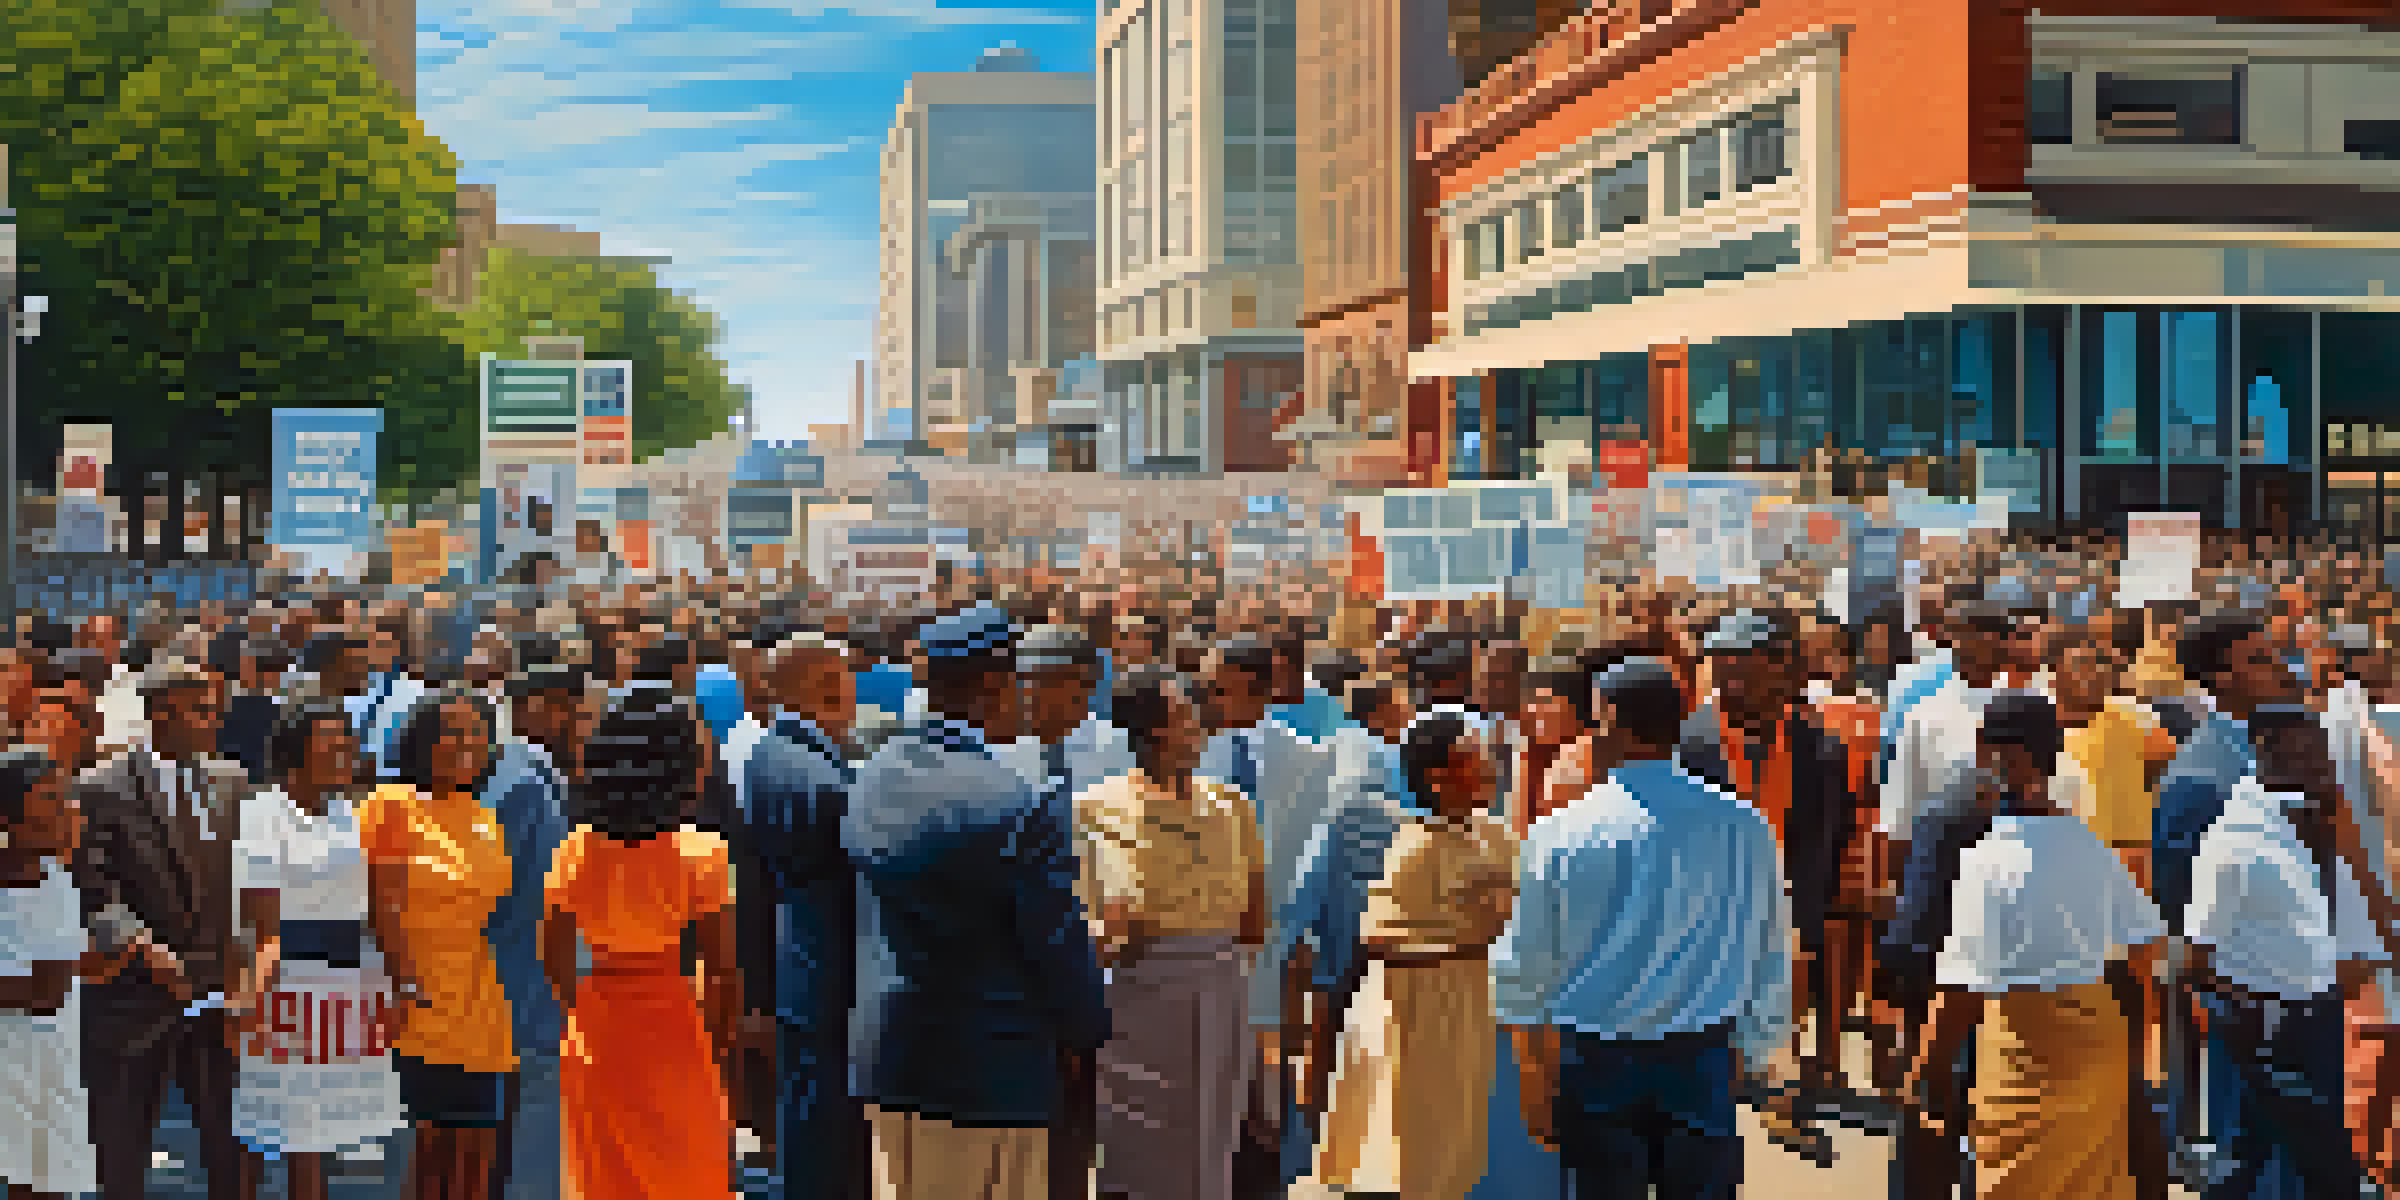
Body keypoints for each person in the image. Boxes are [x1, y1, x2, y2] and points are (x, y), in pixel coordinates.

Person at [1491, 658, 1792, 1200]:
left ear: (1613, 723)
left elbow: (1527, 961)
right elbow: (1769, 943)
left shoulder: (1561, 832)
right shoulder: (1744, 826)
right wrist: (1757, 1049)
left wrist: (1532, 1071)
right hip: (1702, 1059)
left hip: (1596, 1061)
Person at [843, 605, 1110, 1200]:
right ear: (995, 685)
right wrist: (1088, 1029)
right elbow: (1055, 940)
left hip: (893, 1059)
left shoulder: (872, 774)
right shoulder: (1021, 802)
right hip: (993, 1072)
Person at [1905, 692, 2165, 1200]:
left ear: (1986, 751)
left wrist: (1927, 1073)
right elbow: (2144, 949)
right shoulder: (2090, 846)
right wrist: (2133, 1046)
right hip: (2099, 1043)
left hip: (2025, 1049)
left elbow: (1962, 986)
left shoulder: (1987, 858)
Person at [1307, 714, 1515, 1200]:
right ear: (1439, 776)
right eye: (1474, 754)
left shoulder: (1497, 835)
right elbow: (1380, 936)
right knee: (1420, 1146)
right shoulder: (1415, 847)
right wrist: (1474, 939)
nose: (1489, 765)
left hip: (1475, 1007)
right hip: (1419, 1015)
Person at [2184, 706, 2389, 1197]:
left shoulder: (2311, 825)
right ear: (2270, 754)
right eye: (2310, 753)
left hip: (2317, 1016)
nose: (2324, 765)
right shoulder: (2232, 843)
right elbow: (2197, 954)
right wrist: (2247, 1011)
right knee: (2265, 1164)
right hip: (2262, 1025)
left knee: (2307, 1162)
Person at [545, 690, 741, 1200]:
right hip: (677, 1030)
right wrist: (718, 1045)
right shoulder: (705, 854)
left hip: (597, 1026)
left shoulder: (574, 849)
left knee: (604, 1177)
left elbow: (555, 955)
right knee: (689, 1176)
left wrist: (579, 1007)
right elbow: (722, 971)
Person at [1078, 664, 1264, 1200]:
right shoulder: (1097, 809)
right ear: (1151, 729)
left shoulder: (1232, 807)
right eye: (1184, 715)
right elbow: (1088, 915)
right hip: (1140, 991)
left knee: (1214, 1128)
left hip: (1222, 981)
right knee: (1141, 1133)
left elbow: (1255, 916)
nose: (1197, 726)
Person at [73, 655, 256, 1200]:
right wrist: (144, 949)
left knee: (232, 1153)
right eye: (200, 711)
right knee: (122, 1155)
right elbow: (92, 894)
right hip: (134, 998)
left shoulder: (233, 782)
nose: (212, 721)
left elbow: (247, 890)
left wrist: (243, 983)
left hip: (218, 1000)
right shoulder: (99, 788)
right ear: (159, 712)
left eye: (212, 710)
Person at [1675, 610, 1852, 1140]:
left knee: (1785, 1004)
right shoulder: (1689, 745)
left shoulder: (1819, 746)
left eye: (1748, 665)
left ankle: (1783, 1106)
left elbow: (1826, 833)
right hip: (1711, 902)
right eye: (1724, 665)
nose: (1734, 678)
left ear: (1785, 671)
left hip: (1787, 897)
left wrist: (1811, 902)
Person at [230, 703, 403, 1200]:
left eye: (345, 743)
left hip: (350, 986)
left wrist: (392, 986)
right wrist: (254, 1000)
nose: (344, 754)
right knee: (285, 1133)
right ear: (295, 753)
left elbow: (377, 905)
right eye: (330, 744)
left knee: (324, 1136)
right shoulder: (262, 814)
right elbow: (261, 924)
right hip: (288, 986)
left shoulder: (350, 811)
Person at [361, 686, 515, 1200]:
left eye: (477, 733)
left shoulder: (481, 814)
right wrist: (402, 985)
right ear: (421, 740)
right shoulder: (389, 805)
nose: (466, 743)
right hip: (414, 1005)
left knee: (474, 1159)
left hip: (477, 1006)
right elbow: (380, 905)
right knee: (422, 1161)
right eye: (452, 731)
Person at [742, 631, 868, 1200]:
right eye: (845, 684)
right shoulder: (803, 765)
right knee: (823, 1127)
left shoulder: (783, 753)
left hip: (808, 958)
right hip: (826, 961)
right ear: (826, 689)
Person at [484, 666, 582, 1200]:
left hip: (518, 979)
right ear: (537, 706)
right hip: (522, 980)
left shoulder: (521, 772)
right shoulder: (522, 781)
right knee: (529, 1132)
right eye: (571, 710)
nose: (578, 724)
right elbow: (536, 897)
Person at [0, 747, 99, 1200]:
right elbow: (45, 990)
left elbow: (50, 991)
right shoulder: (52, 885)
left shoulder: (57, 882)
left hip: (44, 1072)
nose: (70, 810)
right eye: (51, 799)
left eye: (68, 797)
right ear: (10, 816)